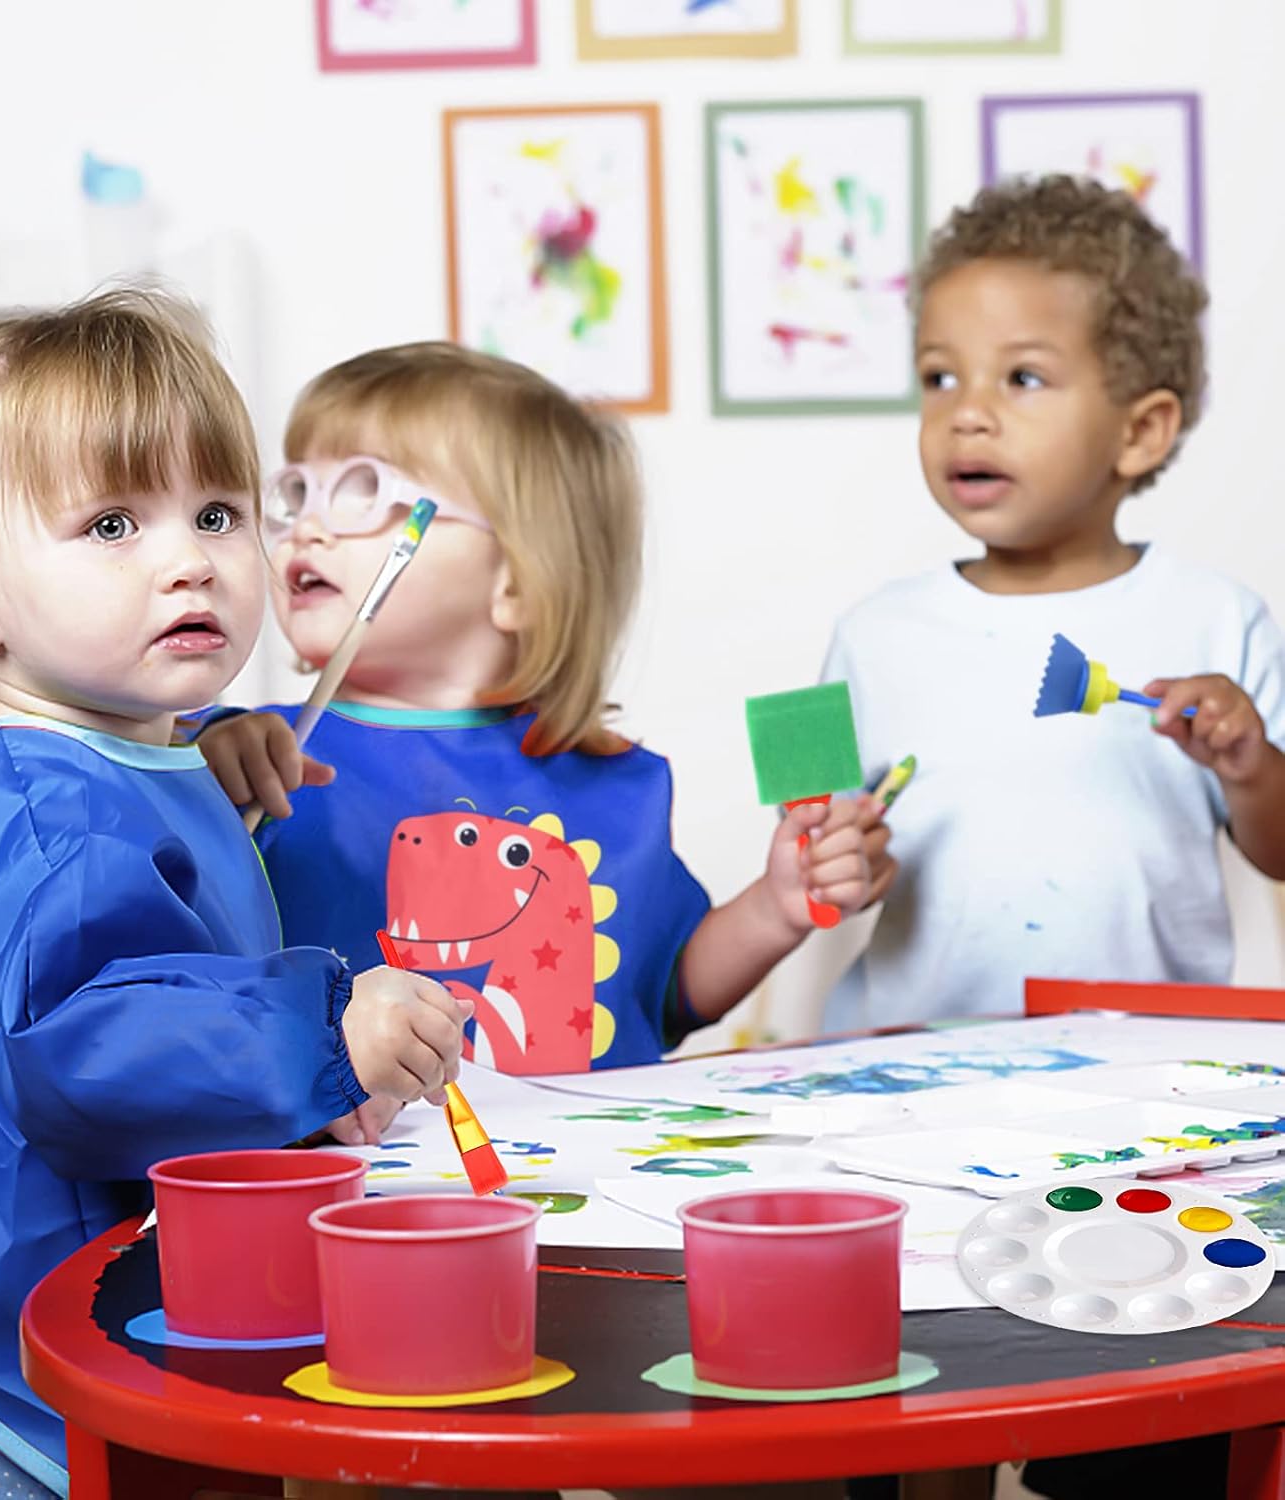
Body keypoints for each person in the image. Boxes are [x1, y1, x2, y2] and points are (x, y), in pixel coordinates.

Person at [0, 290, 468, 1498]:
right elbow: (85, 1044)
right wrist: (325, 1031)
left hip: (68, 1274)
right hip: (16, 1311)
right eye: (111, 524)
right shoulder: (23, 805)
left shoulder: (115, 750)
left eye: (216, 512)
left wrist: (207, 746)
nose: (188, 557)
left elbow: (150, 912)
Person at [195, 341, 880, 1098]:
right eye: (296, 493)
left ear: (517, 583)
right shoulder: (253, 756)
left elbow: (665, 993)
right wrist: (195, 765)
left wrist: (777, 907)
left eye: (367, 492)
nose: (306, 529)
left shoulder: (617, 781)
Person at [822, 174, 1285, 1036]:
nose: (967, 414)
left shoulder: (1219, 619)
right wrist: (828, 862)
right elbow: (810, 841)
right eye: (939, 376)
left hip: (1145, 1065)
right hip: (909, 1066)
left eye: (1023, 377)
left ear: (1139, 431)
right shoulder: (871, 633)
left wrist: (1250, 766)